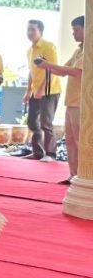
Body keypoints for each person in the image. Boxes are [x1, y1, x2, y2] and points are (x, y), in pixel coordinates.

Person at [35, 16, 84, 182]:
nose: (73, 33)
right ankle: (73, 175)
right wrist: (45, 65)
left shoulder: (89, 50)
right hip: (72, 102)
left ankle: (84, 176)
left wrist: (47, 65)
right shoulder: (79, 50)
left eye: (76, 29)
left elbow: (76, 72)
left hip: (82, 103)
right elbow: (63, 71)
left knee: (80, 141)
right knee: (70, 141)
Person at [24, 19, 61, 161]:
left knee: (46, 123)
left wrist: (41, 89)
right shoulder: (30, 50)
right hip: (35, 91)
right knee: (32, 122)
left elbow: (52, 69)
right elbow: (31, 72)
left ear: (40, 31)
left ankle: (50, 154)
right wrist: (28, 91)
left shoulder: (48, 46)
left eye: (33, 30)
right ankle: (38, 152)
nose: (29, 32)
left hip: (50, 90)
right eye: (28, 29)